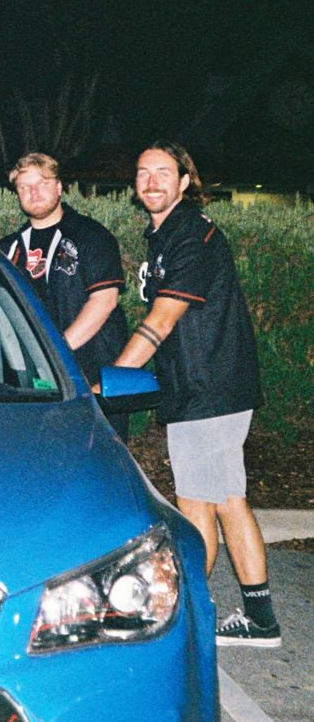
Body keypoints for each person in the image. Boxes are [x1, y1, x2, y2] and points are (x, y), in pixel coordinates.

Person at [110, 140, 279, 647]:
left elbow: (162, 320)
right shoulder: (167, 235)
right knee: (227, 499)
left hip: (207, 390)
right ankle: (260, 618)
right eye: (143, 172)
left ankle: (186, 621)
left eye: (164, 172)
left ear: (185, 181)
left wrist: (112, 379)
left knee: (197, 504)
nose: (152, 181)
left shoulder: (190, 235)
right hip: (209, 388)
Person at [0, 152, 130, 439]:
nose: (34, 192)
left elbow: (104, 301)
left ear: (59, 187)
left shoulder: (92, 237)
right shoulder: (8, 249)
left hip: (93, 378)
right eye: (24, 186)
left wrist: (54, 352)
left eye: (42, 183)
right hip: (34, 383)